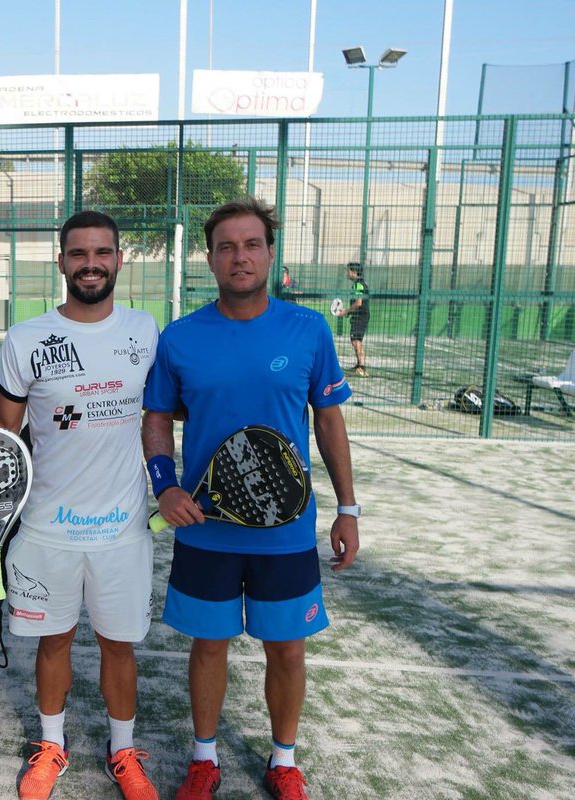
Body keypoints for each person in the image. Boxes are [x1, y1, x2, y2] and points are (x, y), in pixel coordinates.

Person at [141, 197, 360, 800]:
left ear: (269, 252)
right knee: (208, 646)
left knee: (286, 649)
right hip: (205, 529)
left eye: (252, 244)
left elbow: (328, 422)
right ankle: (204, 759)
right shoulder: (180, 337)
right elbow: (157, 416)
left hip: (287, 533)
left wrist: (347, 507)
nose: (240, 256)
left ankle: (283, 760)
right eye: (227, 247)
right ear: (210, 258)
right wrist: (165, 484)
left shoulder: (308, 330)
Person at [0, 211, 160, 800]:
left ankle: (123, 751)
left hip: (122, 530)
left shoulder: (145, 332)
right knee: (55, 642)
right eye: (78, 253)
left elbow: (159, 420)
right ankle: (52, 745)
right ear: (61, 260)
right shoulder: (25, 339)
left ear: (119, 259)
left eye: (101, 252)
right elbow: (5, 437)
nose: (90, 263)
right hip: (46, 529)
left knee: (119, 646)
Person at [341, 262, 369, 376]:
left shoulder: (358, 284)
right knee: (356, 341)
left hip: (361, 316)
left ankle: (361, 366)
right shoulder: (358, 284)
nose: (347, 273)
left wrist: (346, 311)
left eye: (348, 271)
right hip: (359, 315)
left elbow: (358, 303)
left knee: (356, 341)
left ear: (354, 272)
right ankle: (359, 365)